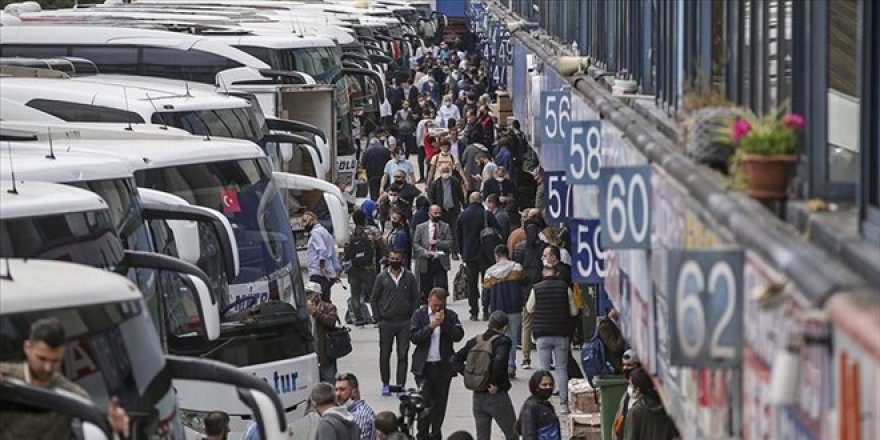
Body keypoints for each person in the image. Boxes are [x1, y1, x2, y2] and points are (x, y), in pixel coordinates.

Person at [0, 318, 131, 439]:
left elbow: (96, 423)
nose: (48, 368)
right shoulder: (6, 377)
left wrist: (111, 426)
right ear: (27, 348)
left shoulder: (72, 396)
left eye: (55, 361)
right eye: (42, 359)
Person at [410, 288, 465, 440]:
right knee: (425, 403)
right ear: (429, 301)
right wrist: (431, 326)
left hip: (442, 368)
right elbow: (414, 337)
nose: (437, 308)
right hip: (424, 368)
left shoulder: (450, 315)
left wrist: (444, 323)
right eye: (435, 305)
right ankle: (422, 434)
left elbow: (458, 335)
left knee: (440, 405)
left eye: (441, 305)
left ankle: (435, 433)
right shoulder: (419, 315)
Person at [452, 311, 517, 440]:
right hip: (497, 395)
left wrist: (471, 376)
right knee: (512, 433)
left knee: (482, 436)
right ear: (505, 327)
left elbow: (455, 360)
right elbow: (499, 361)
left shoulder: (475, 340)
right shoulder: (503, 341)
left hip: (478, 395)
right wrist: (493, 382)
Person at [525, 265, 578, 414]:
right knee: (561, 369)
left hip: (542, 334)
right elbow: (574, 311)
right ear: (557, 273)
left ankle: (542, 402)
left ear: (543, 273)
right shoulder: (565, 288)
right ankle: (563, 404)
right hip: (561, 333)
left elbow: (529, 308)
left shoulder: (536, 288)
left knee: (543, 370)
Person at [371, 249, 421, 395]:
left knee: (403, 354)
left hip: (405, 322)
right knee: (385, 354)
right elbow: (374, 298)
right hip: (386, 322)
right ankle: (385, 384)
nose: (395, 261)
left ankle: (400, 385)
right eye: (392, 258)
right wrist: (378, 318)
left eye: (397, 259)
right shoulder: (382, 277)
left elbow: (416, 298)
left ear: (402, 259)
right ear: (389, 259)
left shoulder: (409, 277)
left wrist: (413, 317)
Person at [481, 245, 525, 378]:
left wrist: (485, 308)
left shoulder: (490, 272)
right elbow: (524, 286)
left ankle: (500, 367)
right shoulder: (517, 268)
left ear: (496, 255)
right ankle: (510, 367)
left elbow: (485, 293)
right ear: (508, 254)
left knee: (497, 340)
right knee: (512, 339)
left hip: (496, 310)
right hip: (514, 308)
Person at [456, 192, 500, 321]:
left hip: (469, 253)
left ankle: (474, 311)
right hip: (486, 253)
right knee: (486, 282)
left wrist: (461, 252)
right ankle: (486, 310)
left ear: (470, 200)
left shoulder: (463, 215)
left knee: (472, 283)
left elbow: (458, 235)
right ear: (481, 200)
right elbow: (497, 230)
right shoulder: (486, 214)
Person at [345, 209, 380, 326]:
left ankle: (359, 319)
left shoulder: (350, 233)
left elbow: (346, 251)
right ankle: (376, 317)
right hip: (369, 267)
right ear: (365, 219)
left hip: (354, 268)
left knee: (355, 294)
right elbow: (381, 245)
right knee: (373, 294)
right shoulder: (372, 231)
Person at [623, 368, 679, 440]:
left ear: (638, 389)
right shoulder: (667, 407)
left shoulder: (635, 412)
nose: (629, 387)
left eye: (630, 384)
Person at [413, 205, 454, 300]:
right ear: (429, 214)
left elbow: (449, 242)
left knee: (440, 286)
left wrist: (437, 242)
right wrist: (424, 252)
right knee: (426, 286)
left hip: (440, 260)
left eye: (439, 213)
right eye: (435, 213)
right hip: (426, 260)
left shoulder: (445, 226)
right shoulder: (421, 227)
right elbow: (415, 243)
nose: (438, 215)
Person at [428, 165, 466, 258]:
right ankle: (443, 250)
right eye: (444, 171)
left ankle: (454, 252)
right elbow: (431, 197)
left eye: (447, 171)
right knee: (442, 231)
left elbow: (460, 195)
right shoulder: (435, 184)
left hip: (453, 210)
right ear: (440, 172)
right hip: (441, 211)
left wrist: (464, 206)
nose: (445, 174)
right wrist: (433, 209)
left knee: (454, 231)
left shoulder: (455, 182)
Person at [304, 211, 342, 303]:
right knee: (325, 300)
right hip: (326, 274)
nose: (304, 224)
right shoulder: (325, 232)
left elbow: (322, 249)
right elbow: (332, 252)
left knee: (317, 302)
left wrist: (322, 266)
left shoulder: (315, 232)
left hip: (317, 273)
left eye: (305, 221)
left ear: (313, 220)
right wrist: (337, 270)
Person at [307, 285, 342, 382]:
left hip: (325, 354)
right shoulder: (302, 311)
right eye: (306, 294)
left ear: (317, 295)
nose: (307, 297)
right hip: (310, 354)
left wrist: (315, 313)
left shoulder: (328, 307)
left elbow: (331, 322)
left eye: (309, 294)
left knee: (329, 380)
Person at [516, 370, 561, 440]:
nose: (548, 387)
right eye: (544, 385)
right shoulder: (531, 407)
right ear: (536, 387)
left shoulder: (546, 405)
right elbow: (528, 434)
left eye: (550, 384)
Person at [335, 373, 376, 440]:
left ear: (354, 392)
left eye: (342, 389)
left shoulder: (360, 415)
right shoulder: (347, 411)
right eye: (336, 390)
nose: (337, 394)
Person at [613, 350, 642, 440]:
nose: (625, 368)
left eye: (629, 365)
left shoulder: (643, 397)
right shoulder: (627, 395)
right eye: (624, 365)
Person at [599, 308, 626, 374]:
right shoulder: (605, 326)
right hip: (617, 363)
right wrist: (623, 331)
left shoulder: (618, 322)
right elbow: (615, 348)